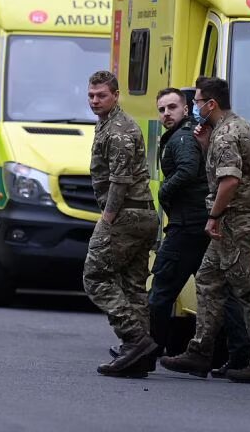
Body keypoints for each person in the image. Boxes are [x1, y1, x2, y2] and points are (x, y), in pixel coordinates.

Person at [159, 76, 250, 384]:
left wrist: (213, 215)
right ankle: (199, 352)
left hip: (235, 222)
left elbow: (230, 180)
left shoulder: (225, 135)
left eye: (197, 102)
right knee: (209, 279)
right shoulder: (240, 126)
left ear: (211, 104)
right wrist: (203, 143)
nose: (195, 107)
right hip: (236, 220)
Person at [127, 87, 250, 375]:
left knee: (161, 290)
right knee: (220, 292)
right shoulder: (187, 134)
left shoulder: (182, 138)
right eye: (161, 109)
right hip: (201, 223)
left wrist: (163, 194)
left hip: (187, 228)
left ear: (186, 109)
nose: (166, 114)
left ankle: (147, 351)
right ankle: (241, 354)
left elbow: (186, 170)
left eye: (172, 107)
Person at [84, 70, 160, 378]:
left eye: (101, 95)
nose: (95, 101)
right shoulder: (108, 124)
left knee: (94, 277)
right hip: (140, 214)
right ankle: (137, 357)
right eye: (91, 95)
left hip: (126, 214)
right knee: (132, 287)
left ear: (116, 95)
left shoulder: (118, 130)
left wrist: (108, 218)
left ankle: (135, 339)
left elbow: (119, 180)